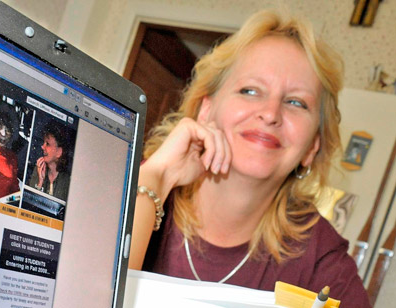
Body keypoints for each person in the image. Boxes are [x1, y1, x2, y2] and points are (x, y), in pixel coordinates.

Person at [130, 10, 370, 307]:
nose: (270, 114)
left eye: (296, 102)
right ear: (206, 110)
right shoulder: (135, 184)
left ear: (312, 147)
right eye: (250, 90)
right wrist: (159, 177)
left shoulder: (321, 257)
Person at [30, 121, 70, 201]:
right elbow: (30, 202)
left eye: (47, 144)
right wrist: (40, 182)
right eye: (43, 142)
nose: (42, 147)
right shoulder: (38, 169)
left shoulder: (67, 181)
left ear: (59, 152)